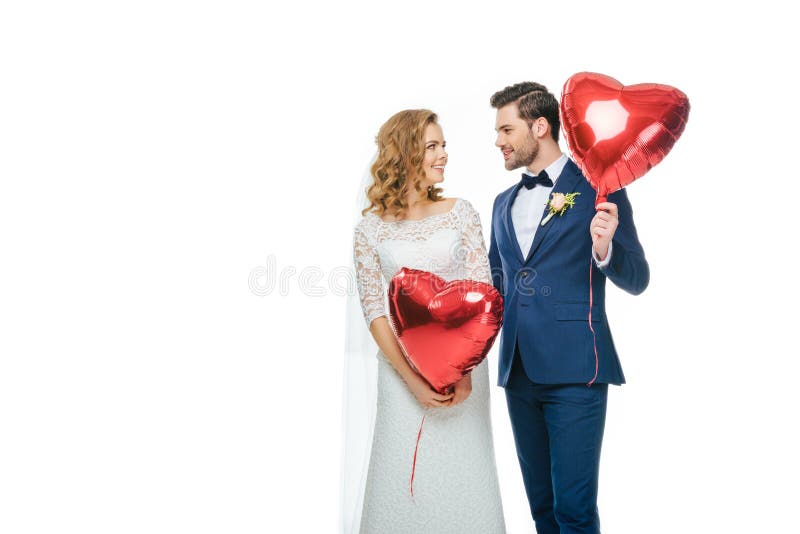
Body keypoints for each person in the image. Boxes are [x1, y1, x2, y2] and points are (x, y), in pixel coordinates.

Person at [487, 82, 649, 533]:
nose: (497, 140)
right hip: (517, 373)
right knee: (541, 509)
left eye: (505, 129)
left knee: (573, 511)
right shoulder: (503, 204)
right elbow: (494, 286)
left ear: (540, 127)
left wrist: (605, 249)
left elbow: (638, 278)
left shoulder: (600, 186)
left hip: (578, 370)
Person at [342, 109, 506, 533]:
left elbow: (484, 295)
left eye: (444, 144)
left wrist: (464, 371)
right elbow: (374, 310)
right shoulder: (369, 230)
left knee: (464, 473)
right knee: (400, 478)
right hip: (400, 376)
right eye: (432, 146)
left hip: (464, 374)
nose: (444, 155)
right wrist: (412, 379)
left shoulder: (460, 213)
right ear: (405, 153)